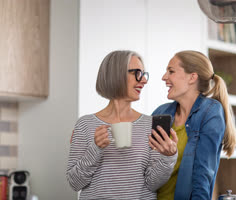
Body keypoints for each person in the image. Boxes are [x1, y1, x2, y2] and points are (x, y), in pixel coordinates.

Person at [66, 50, 178, 200]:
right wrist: (95, 148)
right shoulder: (85, 124)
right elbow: (75, 183)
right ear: (116, 74)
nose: (144, 80)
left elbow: (152, 183)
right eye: (137, 73)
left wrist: (168, 157)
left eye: (144, 74)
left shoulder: (148, 124)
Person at [150, 50, 236, 200]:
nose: (164, 77)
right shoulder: (161, 112)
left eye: (171, 71)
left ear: (192, 77)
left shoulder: (210, 112)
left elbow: (203, 174)